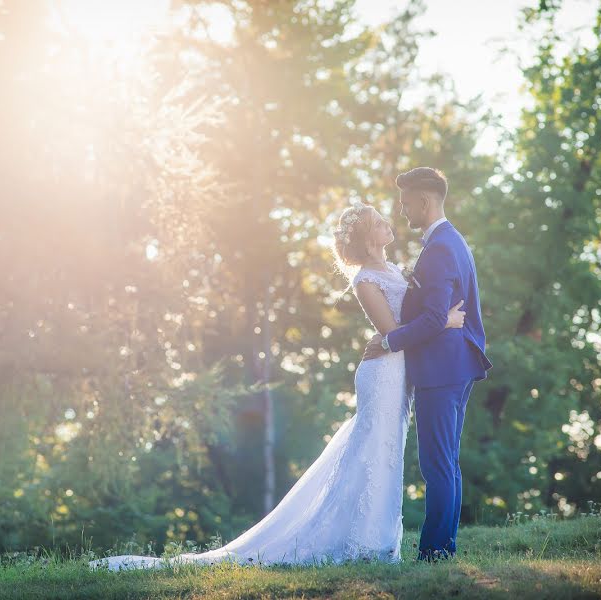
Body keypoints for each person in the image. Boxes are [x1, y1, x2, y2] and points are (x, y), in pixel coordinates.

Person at [88, 197, 466, 572]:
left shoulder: (395, 269)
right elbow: (392, 332)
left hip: (399, 371)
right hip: (381, 373)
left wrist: (422, 324)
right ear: (369, 238)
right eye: (380, 221)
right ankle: (364, 542)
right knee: (373, 451)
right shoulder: (365, 280)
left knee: (387, 451)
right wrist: (442, 322)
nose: (389, 223)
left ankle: (380, 542)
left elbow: (403, 328)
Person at [363, 167, 492, 561]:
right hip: (455, 364)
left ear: (423, 201)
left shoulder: (439, 248)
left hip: (441, 369)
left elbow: (436, 317)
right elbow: (438, 310)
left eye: (405, 204)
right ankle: (443, 547)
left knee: (436, 464)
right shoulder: (449, 240)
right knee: (446, 463)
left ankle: (435, 550)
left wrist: (387, 341)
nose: (402, 211)